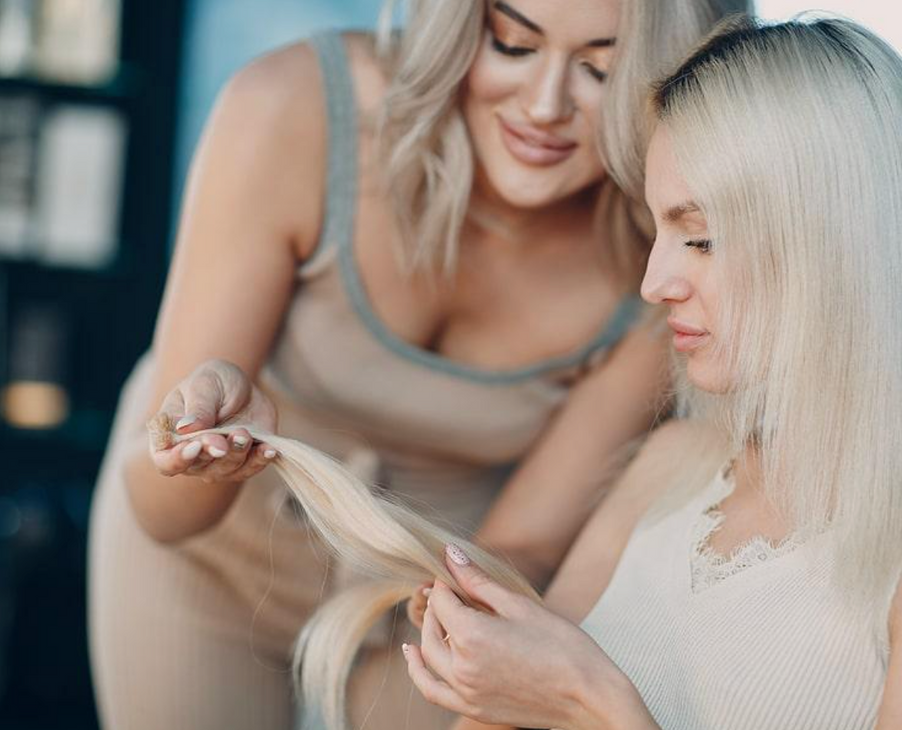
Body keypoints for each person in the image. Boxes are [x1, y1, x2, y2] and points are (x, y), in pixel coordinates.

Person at [401, 15, 902, 729]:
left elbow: (570, 697)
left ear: (833, 244)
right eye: (660, 231)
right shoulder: (671, 464)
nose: (654, 283)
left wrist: (591, 702)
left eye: (701, 238)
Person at [86, 1, 747, 728]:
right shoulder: (294, 109)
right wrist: (200, 451)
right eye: (512, 43)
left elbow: (524, 547)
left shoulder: (664, 264)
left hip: (443, 598)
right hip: (208, 559)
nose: (544, 105)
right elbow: (162, 510)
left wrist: (448, 622)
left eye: (602, 69)